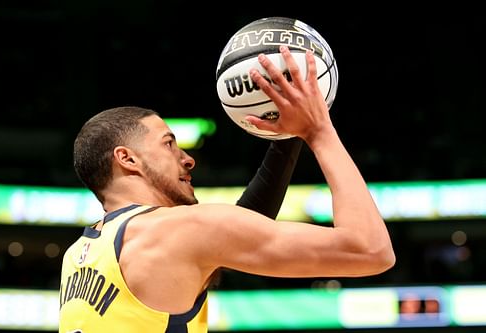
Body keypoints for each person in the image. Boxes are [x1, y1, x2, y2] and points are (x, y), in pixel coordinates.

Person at [58, 45, 395, 333]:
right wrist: (319, 132)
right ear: (127, 159)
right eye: (169, 145)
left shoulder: (80, 254)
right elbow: (371, 250)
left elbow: (234, 231)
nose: (187, 160)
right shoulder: (176, 230)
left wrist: (287, 138)